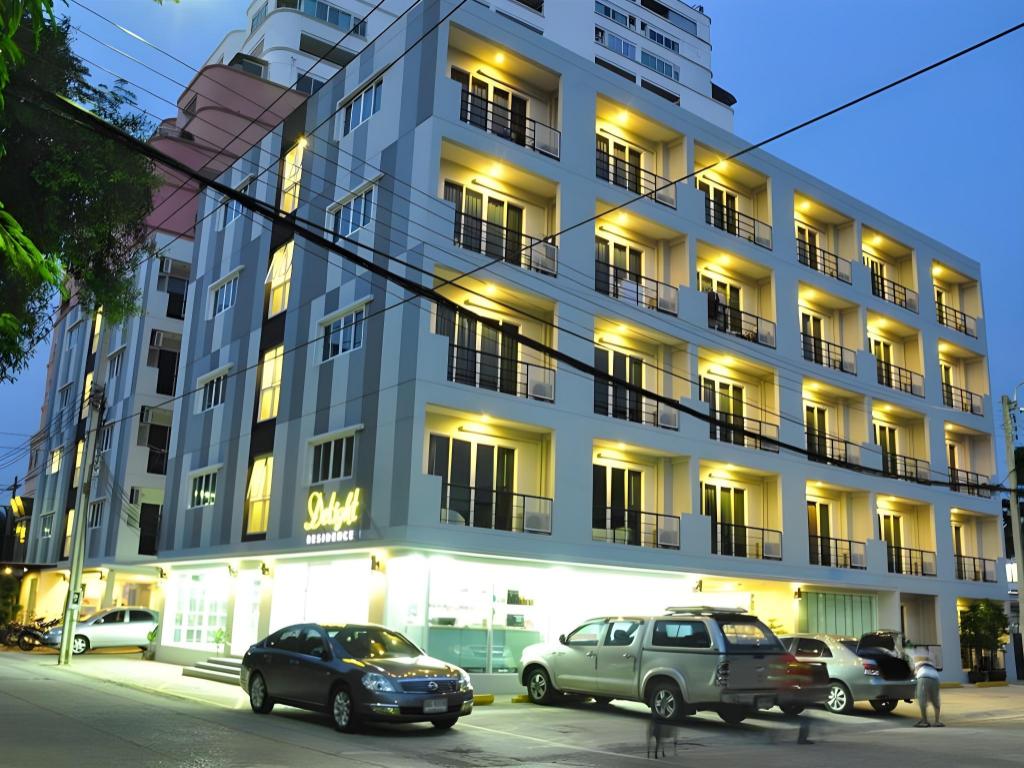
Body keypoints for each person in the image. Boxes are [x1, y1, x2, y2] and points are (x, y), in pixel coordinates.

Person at [913, 653, 943, 727]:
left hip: (924, 677)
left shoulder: (916, 663)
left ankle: (924, 721)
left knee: (922, 699)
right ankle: (937, 721)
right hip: (936, 678)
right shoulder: (931, 665)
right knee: (935, 700)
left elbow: (913, 674)